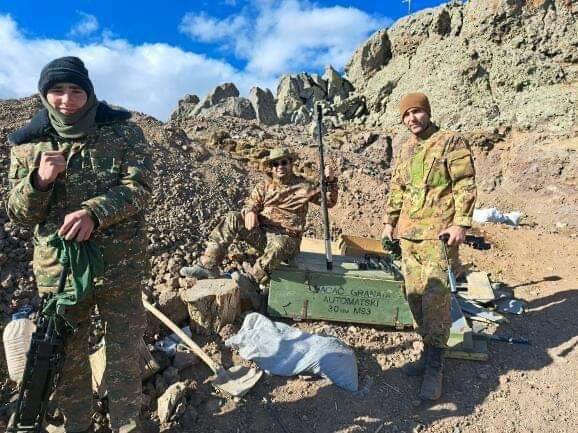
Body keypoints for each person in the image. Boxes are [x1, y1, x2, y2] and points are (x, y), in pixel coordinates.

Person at [7, 57, 153, 433]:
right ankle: (77, 427)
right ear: (45, 95)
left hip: (119, 267)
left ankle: (126, 427)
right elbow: (18, 215)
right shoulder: (27, 146)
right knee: (67, 360)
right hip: (60, 275)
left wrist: (94, 213)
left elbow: (140, 187)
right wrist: (39, 182)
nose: (67, 100)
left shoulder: (123, 133)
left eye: (76, 91)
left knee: (124, 355)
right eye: (57, 91)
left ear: (89, 93)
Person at [382, 93, 477, 401]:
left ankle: (435, 366)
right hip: (409, 235)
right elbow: (398, 187)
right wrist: (389, 222)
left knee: (436, 298)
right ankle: (426, 351)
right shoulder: (406, 148)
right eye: (406, 114)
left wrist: (461, 223)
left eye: (417, 112)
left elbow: (465, 184)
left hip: (438, 235)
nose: (412, 118)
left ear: (428, 112)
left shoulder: (451, 141)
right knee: (413, 295)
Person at [180, 147, 338, 285]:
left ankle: (251, 281)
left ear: (290, 163)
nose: (280, 167)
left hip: (287, 240)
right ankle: (208, 265)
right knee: (234, 217)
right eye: (275, 164)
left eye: (284, 162)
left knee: (279, 245)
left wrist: (330, 181)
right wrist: (250, 212)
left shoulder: (305, 186)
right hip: (263, 235)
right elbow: (251, 203)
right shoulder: (264, 186)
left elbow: (329, 202)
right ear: (272, 167)